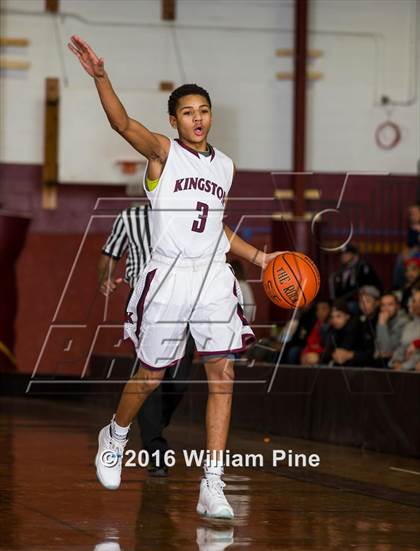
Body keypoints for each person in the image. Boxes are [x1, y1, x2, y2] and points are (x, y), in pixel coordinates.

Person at [68, 35, 282, 518]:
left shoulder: (224, 166)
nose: (197, 118)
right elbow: (122, 123)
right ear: (174, 120)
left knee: (223, 374)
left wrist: (258, 258)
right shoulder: (163, 154)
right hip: (167, 276)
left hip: (212, 278)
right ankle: (115, 435)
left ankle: (212, 484)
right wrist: (101, 77)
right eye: (188, 112)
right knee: (151, 375)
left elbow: (216, 224)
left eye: (203, 110)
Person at [99, 204, 194, 476]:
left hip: (183, 299)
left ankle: (150, 422)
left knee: (179, 379)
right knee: (149, 375)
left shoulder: (187, 211)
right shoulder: (130, 217)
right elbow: (109, 254)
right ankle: (156, 452)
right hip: (145, 300)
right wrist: (105, 277)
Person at [329, 243, 382, 312]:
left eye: (346, 254)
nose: (343, 256)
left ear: (354, 255)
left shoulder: (363, 266)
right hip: (344, 301)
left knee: (351, 306)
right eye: (342, 254)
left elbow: (371, 285)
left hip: (359, 300)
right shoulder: (340, 271)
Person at [320, 300, 361, 366]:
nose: (335, 320)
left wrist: (350, 354)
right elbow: (326, 353)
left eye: (338, 316)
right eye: (332, 317)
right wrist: (333, 354)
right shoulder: (332, 330)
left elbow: (367, 353)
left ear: (347, 316)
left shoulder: (356, 329)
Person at [374, 292, 409, 366]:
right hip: (383, 363)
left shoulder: (404, 322)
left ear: (398, 306)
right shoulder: (383, 319)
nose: (386, 308)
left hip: (396, 364)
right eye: (383, 305)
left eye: (390, 304)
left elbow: (386, 350)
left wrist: (382, 324)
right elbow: (377, 351)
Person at [389, 289, 420, 371]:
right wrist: (396, 361)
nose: (417, 304)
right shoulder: (408, 325)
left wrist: (416, 343)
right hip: (403, 368)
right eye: (414, 301)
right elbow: (401, 347)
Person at [300, 301, 331, 366]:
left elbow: (329, 348)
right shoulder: (316, 325)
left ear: (330, 310)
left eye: (324, 309)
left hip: (323, 355)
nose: (320, 312)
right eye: (318, 309)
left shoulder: (332, 326)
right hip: (313, 352)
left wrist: (318, 355)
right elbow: (310, 342)